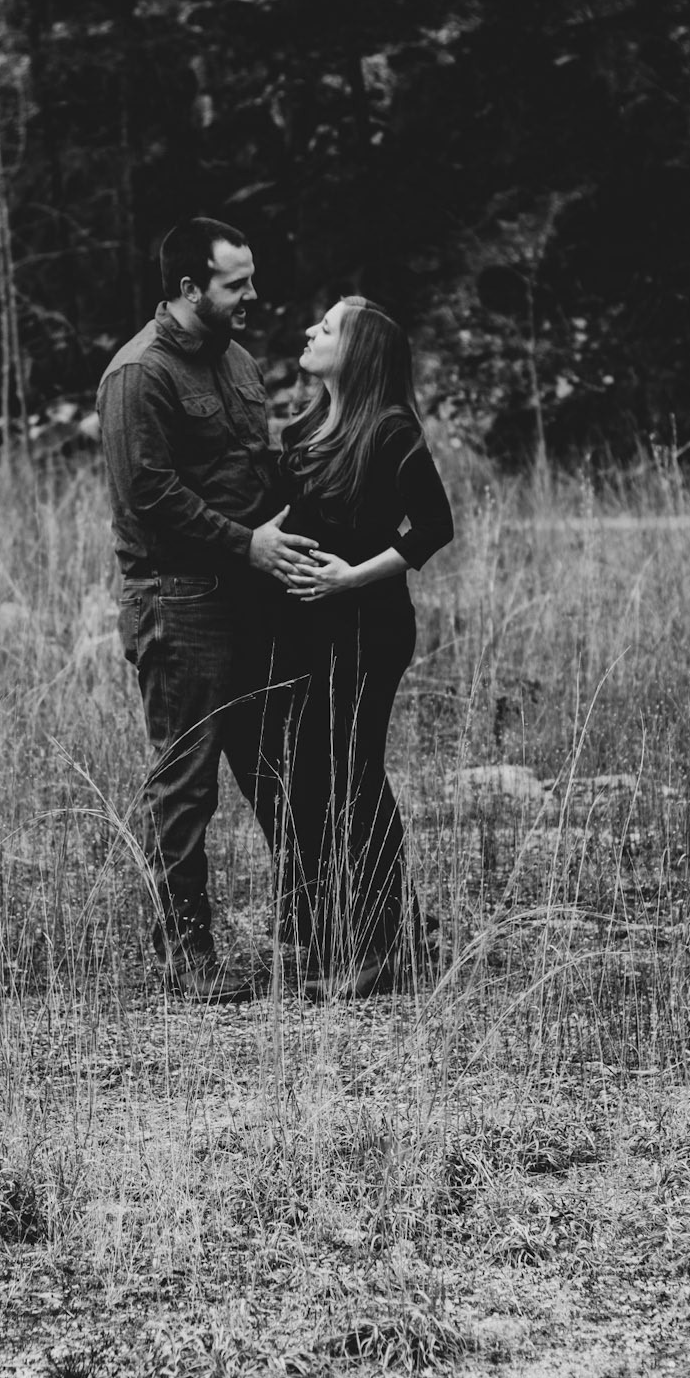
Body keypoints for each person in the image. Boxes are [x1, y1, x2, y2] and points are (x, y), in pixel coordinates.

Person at [96, 216, 319, 997]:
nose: (252, 294)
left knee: (280, 770)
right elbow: (148, 495)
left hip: (252, 598)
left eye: (250, 279)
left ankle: (310, 933)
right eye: (236, 283)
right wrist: (244, 543)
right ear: (190, 288)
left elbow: (257, 463)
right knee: (186, 782)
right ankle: (185, 957)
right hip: (179, 600)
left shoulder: (236, 359)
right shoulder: (138, 375)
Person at [276, 296, 454, 996]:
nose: (310, 331)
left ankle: (381, 945)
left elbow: (433, 526)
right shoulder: (309, 425)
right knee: (310, 776)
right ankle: (341, 933)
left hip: (368, 627)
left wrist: (352, 576)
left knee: (354, 774)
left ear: (358, 353)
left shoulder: (390, 430)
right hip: (306, 627)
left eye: (325, 328)